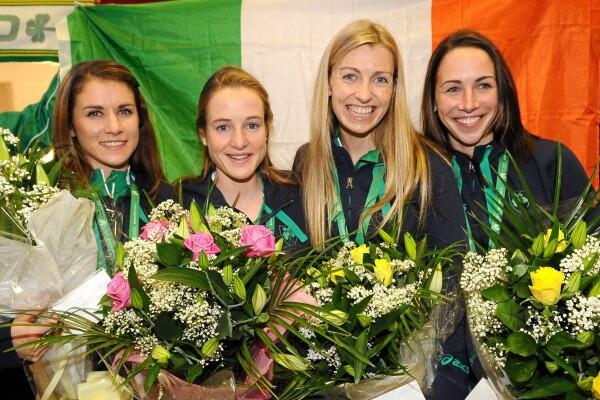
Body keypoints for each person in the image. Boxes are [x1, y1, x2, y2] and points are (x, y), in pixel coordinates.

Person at [420, 30, 591, 399]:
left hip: (543, 378)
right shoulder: (416, 179)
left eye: (483, 85)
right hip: (442, 381)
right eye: (452, 89)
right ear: (433, 101)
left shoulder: (550, 163)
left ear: (503, 92)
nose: (468, 103)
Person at [1, 60, 169, 398]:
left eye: (124, 111)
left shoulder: (170, 203)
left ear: (140, 120)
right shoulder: (36, 205)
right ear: (71, 126)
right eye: (94, 113)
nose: (113, 127)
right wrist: (9, 338)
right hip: (58, 386)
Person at [294, 19, 465, 251]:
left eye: (380, 79)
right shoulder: (307, 161)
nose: (364, 94)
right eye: (350, 76)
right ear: (329, 82)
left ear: (394, 89)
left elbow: (454, 265)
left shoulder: (428, 166)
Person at [168, 66, 308, 250]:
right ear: (203, 134)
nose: (240, 142)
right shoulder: (179, 206)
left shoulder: (302, 196)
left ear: (267, 128)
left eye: (252, 125)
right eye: (223, 127)